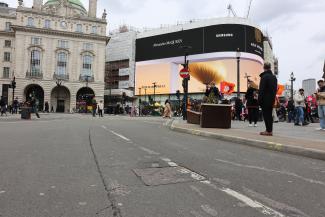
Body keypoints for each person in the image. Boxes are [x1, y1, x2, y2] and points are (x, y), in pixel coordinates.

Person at [258, 62, 278, 136]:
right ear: (270, 67)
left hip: (265, 99)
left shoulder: (264, 77)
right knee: (269, 115)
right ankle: (269, 130)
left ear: (264, 67)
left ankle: (268, 131)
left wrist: (259, 100)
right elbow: (275, 89)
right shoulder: (274, 77)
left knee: (266, 115)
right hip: (271, 98)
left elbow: (261, 90)